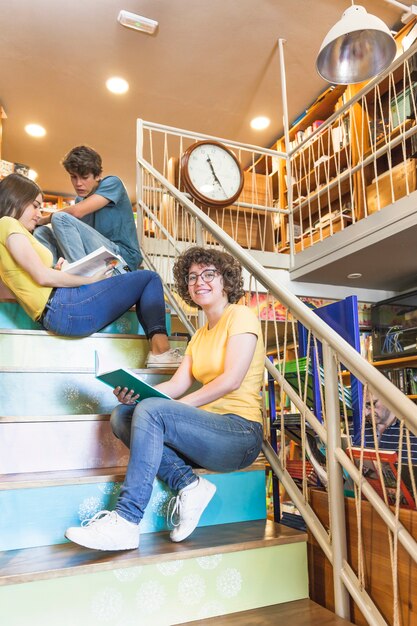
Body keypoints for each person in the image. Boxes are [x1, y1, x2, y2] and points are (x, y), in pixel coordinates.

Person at [65, 246, 265, 551]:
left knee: (153, 412)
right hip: (208, 433)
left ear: (226, 280)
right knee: (123, 415)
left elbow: (231, 380)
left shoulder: (241, 316)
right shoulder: (198, 336)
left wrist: (165, 408)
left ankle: (127, 521)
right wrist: (138, 396)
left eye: (208, 274)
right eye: (192, 276)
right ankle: (190, 485)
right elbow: (177, 384)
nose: (199, 281)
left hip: (240, 435)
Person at [0, 173, 181, 367]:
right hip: (61, 306)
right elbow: (42, 277)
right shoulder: (7, 223)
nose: (39, 213)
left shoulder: (11, 230)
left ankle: (160, 353)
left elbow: (36, 276)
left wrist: (61, 270)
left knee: (143, 284)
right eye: (35, 206)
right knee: (149, 278)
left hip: (58, 311)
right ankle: (161, 352)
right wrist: (90, 280)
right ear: (16, 198)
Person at [33, 145, 142, 271]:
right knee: (42, 232)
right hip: (97, 256)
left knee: (60, 218)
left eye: (84, 177)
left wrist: (43, 219)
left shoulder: (112, 183)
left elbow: (76, 212)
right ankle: (53, 274)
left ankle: (82, 277)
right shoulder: (80, 200)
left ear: (98, 175)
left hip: (122, 258)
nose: (78, 183)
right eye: (73, 177)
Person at [362, 396, 417, 463]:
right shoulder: (353, 431)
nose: (365, 413)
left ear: (389, 400)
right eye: (362, 406)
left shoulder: (413, 430)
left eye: (372, 404)